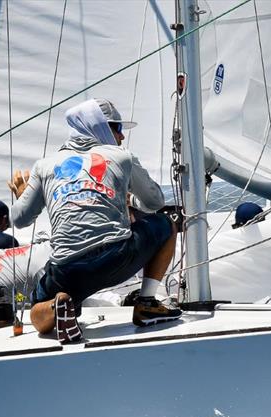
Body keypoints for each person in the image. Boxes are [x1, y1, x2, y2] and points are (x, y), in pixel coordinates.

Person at [9, 98, 181, 342]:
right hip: (117, 258)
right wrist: (127, 198)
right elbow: (155, 203)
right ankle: (146, 304)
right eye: (118, 129)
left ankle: (59, 306)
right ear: (101, 127)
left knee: (38, 305)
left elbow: (20, 219)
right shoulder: (122, 157)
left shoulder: (44, 166)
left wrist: (22, 195)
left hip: (69, 270)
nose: (121, 137)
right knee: (166, 224)